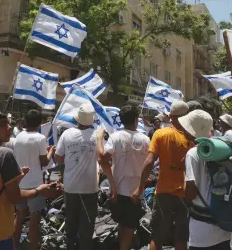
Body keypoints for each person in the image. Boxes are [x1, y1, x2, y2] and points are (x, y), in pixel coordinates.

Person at [0, 109, 59, 250]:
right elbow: (14, 197)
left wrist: (20, 177)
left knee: (20, 217)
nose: (9, 127)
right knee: (34, 219)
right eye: (3, 125)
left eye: (8, 123)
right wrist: (40, 190)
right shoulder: (4, 154)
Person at [132, 101, 191, 250]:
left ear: (170, 116)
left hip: (164, 192)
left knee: (157, 236)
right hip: (185, 193)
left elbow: (149, 163)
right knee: (181, 237)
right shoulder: (193, 138)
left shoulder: (161, 134)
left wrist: (140, 188)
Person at [97, 105, 150, 250]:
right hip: (135, 191)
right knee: (129, 227)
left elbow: (102, 159)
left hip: (119, 190)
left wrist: (99, 139)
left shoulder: (116, 137)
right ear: (135, 120)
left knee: (123, 224)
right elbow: (150, 163)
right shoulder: (145, 139)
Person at [182, 110, 232, 250]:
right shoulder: (219, 149)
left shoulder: (193, 153)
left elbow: (190, 192)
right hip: (222, 224)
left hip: (201, 227)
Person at [55, 104, 99, 250]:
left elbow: (58, 158)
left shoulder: (67, 134)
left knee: (71, 221)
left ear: (77, 120)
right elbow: (103, 157)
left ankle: (70, 246)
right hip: (90, 188)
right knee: (87, 224)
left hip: (71, 187)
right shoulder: (96, 135)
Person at [13, 110, 56, 250]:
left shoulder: (18, 137)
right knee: (34, 218)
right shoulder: (40, 138)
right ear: (40, 123)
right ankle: (33, 247)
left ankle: (14, 245)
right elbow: (44, 162)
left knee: (19, 216)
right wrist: (51, 151)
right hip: (35, 185)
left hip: (20, 183)